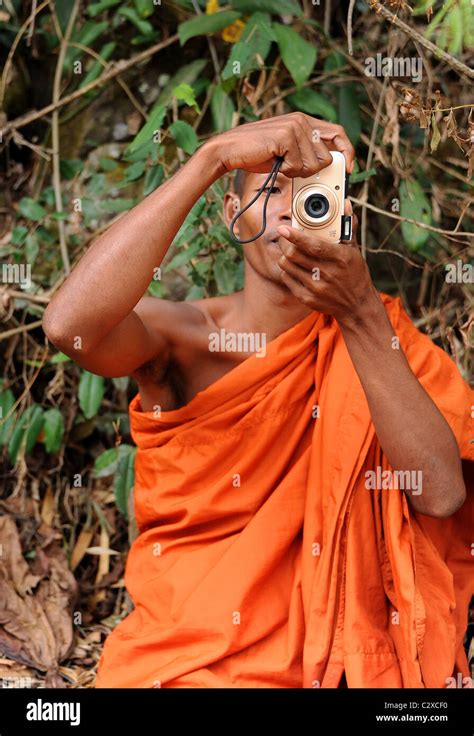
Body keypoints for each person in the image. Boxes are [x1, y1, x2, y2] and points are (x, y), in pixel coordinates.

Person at [42, 113, 473, 688]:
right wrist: (210, 158)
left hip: (343, 669)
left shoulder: (382, 340)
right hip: (189, 662)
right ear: (229, 214)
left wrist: (359, 312)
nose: (293, 213)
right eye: (271, 191)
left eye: (316, 194)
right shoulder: (188, 340)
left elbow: (440, 495)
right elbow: (69, 327)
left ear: (344, 214)